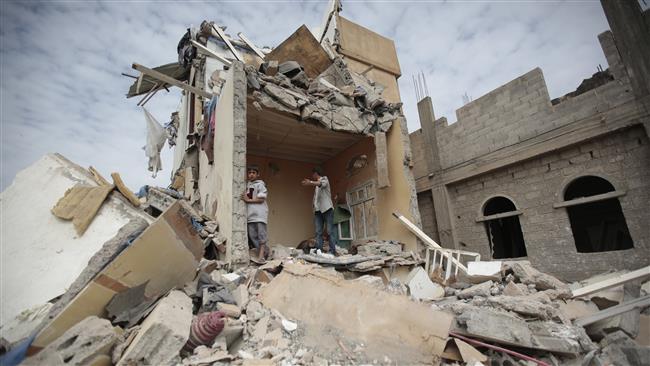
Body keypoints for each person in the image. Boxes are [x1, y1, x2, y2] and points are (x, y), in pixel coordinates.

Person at [301, 167, 337, 255]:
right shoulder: (316, 186)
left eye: (313, 174)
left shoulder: (324, 179)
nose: (312, 176)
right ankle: (319, 251)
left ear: (316, 173)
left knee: (329, 231)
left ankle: (333, 251)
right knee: (318, 232)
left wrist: (310, 182)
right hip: (318, 211)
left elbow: (321, 184)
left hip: (327, 209)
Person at [241, 165, 269, 262]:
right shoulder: (248, 185)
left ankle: (261, 256)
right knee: (252, 236)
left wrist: (248, 200)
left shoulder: (260, 185)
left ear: (258, 174)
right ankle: (265, 252)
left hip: (260, 215)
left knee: (261, 236)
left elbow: (261, 199)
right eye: (249, 173)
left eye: (254, 173)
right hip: (250, 216)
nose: (251, 174)